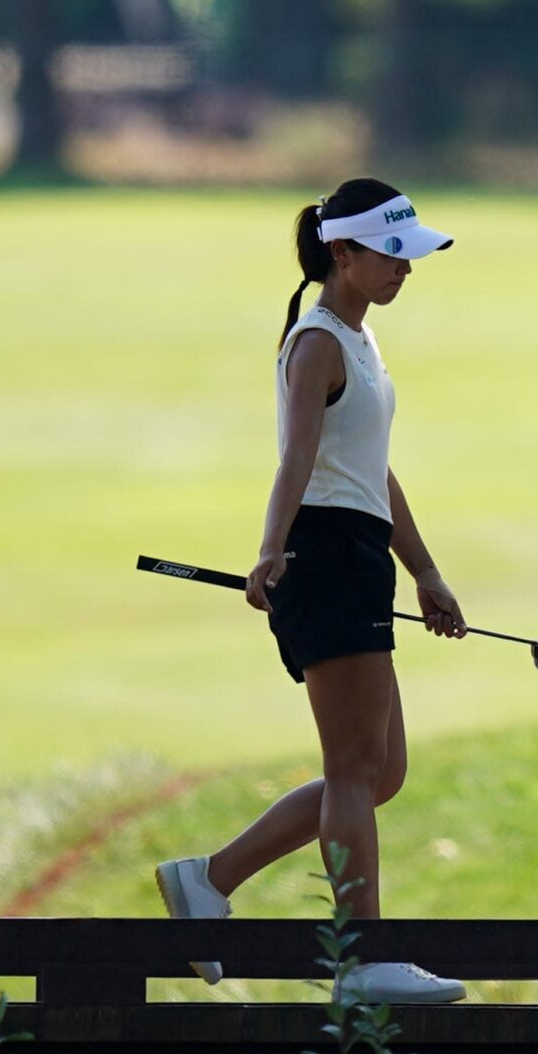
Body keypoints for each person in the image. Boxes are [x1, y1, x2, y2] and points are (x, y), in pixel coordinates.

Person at [154, 178, 471, 1005]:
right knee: (354, 771)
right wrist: (269, 550)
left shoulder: (358, 341)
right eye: (392, 253)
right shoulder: (319, 342)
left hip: (357, 551)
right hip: (322, 557)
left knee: (378, 772)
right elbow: (296, 454)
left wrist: (425, 570)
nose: (407, 268)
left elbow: (371, 468)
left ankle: (209, 879)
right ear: (344, 253)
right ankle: (358, 959)